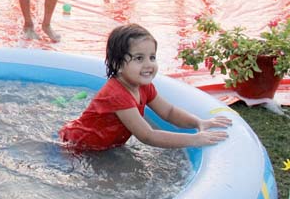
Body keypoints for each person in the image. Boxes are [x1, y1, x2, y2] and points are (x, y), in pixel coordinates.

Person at [60, 24, 231, 151]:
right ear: (116, 64)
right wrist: (194, 140)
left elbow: (169, 112)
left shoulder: (144, 87)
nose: (148, 64)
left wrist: (198, 122)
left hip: (104, 146)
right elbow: (147, 135)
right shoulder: (116, 94)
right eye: (139, 58)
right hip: (76, 146)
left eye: (152, 57)